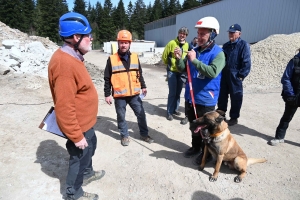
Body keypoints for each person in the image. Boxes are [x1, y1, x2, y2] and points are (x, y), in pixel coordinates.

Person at [48, 12, 105, 200]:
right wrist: (75, 135)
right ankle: (74, 193)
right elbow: (64, 107)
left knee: (91, 147)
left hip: (86, 124)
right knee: (78, 160)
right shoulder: (64, 64)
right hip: (78, 127)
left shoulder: (73, 56)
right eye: (88, 35)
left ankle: (87, 173)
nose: (91, 38)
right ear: (75, 37)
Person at [174, 16, 225, 165]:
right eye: (198, 33)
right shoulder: (194, 50)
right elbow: (182, 68)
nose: (199, 37)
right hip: (191, 97)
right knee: (194, 126)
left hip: (206, 99)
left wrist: (195, 60)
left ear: (213, 34)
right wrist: (178, 59)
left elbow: (213, 72)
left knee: (206, 131)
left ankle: (206, 153)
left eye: (203, 34)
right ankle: (196, 147)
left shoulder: (218, 54)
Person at [104, 30, 154, 146]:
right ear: (118, 43)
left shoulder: (135, 57)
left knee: (141, 114)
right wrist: (107, 94)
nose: (123, 45)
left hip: (134, 94)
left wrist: (143, 86)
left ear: (129, 43)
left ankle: (144, 134)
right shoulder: (111, 59)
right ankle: (124, 136)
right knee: (121, 116)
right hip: (119, 95)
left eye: (126, 42)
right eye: (121, 42)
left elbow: (139, 73)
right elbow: (107, 78)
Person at [217, 24, 251, 126]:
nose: (231, 34)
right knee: (222, 96)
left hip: (235, 75)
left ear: (239, 33)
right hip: (224, 74)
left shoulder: (243, 45)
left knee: (236, 97)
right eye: (230, 32)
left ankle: (234, 117)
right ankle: (221, 114)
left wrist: (241, 76)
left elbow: (247, 62)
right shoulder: (226, 45)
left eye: (233, 32)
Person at [268, 49, 300, 146]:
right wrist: (290, 94)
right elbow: (286, 78)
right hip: (294, 94)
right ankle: (279, 137)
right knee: (287, 117)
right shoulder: (295, 61)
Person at [162, 27, 189, 121]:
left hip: (181, 73)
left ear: (186, 36)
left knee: (178, 92)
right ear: (178, 33)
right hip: (172, 72)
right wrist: (170, 67)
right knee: (172, 93)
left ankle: (175, 109)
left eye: (184, 34)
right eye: (181, 33)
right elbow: (164, 56)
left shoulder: (187, 45)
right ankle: (169, 112)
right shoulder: (171, 43)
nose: (182, 35)